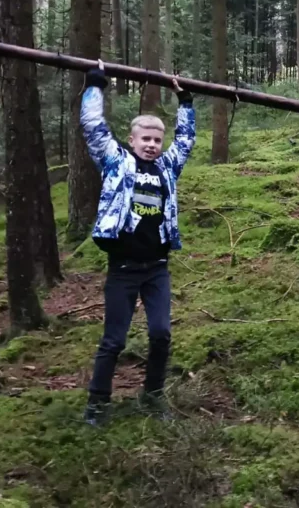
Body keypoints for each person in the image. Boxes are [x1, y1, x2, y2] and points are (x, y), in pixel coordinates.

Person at [80, 59, 196, 425]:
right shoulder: (116, 162)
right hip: (124, 270)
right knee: (114, 340)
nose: (151, 145)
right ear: (131, 140)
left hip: (157, 269)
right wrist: (95, 84)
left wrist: (186, 101)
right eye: (145, 139)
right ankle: (97, 404)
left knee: (161, 334)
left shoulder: (167, 167)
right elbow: (94, 127)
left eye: (156, 140)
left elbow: (187, 140)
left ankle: (153, 396)